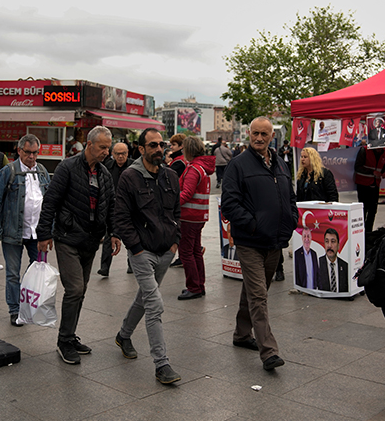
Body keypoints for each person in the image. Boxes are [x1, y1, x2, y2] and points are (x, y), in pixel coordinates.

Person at [37, 126, 120, 365]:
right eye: (103, 147)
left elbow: (111, 205)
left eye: (108, 147)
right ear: (89, 144)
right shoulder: (67, 167)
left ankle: (70, 336)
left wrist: (114, 232)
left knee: (81, 290)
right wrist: (44, 234)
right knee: (74, 289)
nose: (107, 152)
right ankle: (64, 340)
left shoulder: (104, 173)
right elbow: (50, 200)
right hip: (67, 237)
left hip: (91, 240)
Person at [221, 116, 297, 371]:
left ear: (271, 136)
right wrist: (253, 224)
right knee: (259, 295)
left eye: (264, 134)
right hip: (250, 241)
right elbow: (229, 203)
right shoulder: (238, 165)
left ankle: (242, 334)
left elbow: (290, 196)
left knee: (255, 291)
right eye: (255, 133)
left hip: (275, 241)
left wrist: (291, 220)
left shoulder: (280, 164)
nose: (259, 138)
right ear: (249, 134)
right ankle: (269, 351)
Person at [112, 127, 182, 384]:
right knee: (154, 303)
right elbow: (122, 217)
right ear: (141, 149)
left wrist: (175, 243)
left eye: (161, 145)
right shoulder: (130, 177)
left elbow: (176, 212)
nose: (159, 149)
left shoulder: (171, 176)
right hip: (142, 253)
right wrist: (136, 248)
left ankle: (123, 335)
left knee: (144, 297)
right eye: (152, 145)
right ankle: (161, 364)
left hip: (166, 251)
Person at [0, 134, 51, 326]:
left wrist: (49, 231)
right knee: (13, 273)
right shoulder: (8, 172)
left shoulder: (42, 171)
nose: (32, 157)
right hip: (12, 232)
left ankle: (28, 305)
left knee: (36, 271)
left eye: (35, 153)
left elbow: (49, 203)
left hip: (36, 233)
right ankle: (15, 310)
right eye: (28, 152)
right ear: (19, 151)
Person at [281, 147, 338, 282]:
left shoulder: (325, 174)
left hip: (321, 215)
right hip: (305, 216)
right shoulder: (301, 176)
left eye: (305, 157)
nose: (302, 159)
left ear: (312, 158)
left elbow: (333, 195)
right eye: (301, 157)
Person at [176, 135, 215, 300]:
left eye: (183, 148)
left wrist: (169, 203)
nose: (182, 151)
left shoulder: (193, 169)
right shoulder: (202, 168)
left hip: (189, 217)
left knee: (186, 252)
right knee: (195, 251)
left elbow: (186, 194)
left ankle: (193, 287)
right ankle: (199, 285)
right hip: (198, 216)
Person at [99, 141, 133, 276]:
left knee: (131, 237)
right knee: (109, 237)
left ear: (127, 154)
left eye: (123, 154)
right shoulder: (107, 166)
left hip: (130, 207)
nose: (120, 157)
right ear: (112, 154)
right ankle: (104, 268)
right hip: (112, 207)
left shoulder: (134, 166)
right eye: (117, 154)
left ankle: (132, 265)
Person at [354, 146, 385, 233]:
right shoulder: (364, 150)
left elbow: (384, 165)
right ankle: (361, 232)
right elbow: (357, 167)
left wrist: (384, 172)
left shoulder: (384, 153)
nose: (380, 149)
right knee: (363, 210)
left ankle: (368, 232)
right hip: (363, 184)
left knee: (373, 210)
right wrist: (372, 172)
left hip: (375, 184)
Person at [317, 228, 348, 292]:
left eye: (333, 241)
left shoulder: (345, 266)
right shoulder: (317, 264)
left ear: (338, 245)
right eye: (327, 241)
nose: (329, 245)